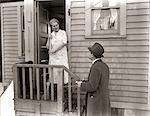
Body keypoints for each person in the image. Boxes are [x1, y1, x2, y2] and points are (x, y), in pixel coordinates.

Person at [76, 42, 110, 116]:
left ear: (92, 54)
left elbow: (92, 87)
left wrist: (81, 85)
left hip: (96, 103)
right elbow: (99, 82)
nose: (89, 54)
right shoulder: (105, 66)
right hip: (103, 101)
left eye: (89, 52)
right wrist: (85, 82)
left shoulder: (95, 67)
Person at [46, 18, 69, 84]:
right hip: (54, 58)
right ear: (51, 27)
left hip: (61, 56)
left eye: (56, 25)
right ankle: (55, 89)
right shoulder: (51, 34)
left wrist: (54, 50)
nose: (55, 27)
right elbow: (47, 46)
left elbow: (64, 43)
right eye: (53, 26)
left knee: (62, 74)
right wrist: (49, 38)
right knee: (54, 75)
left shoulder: (63, 33)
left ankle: (63, 89)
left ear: (58, 25)